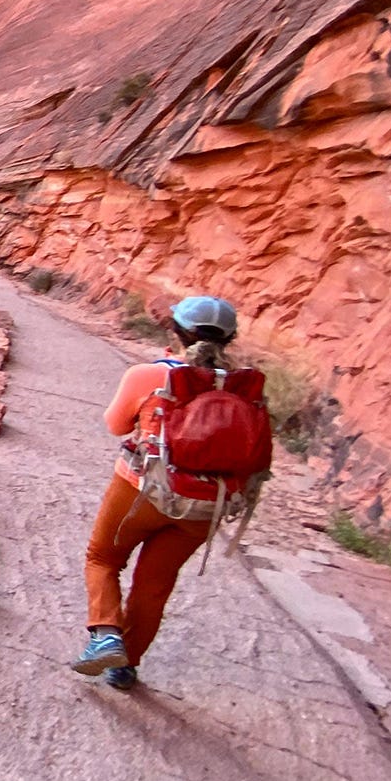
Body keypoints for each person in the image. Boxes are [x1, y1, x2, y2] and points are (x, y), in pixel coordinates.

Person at [72, 294, 241, 691]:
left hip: (141, 490)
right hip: (204, 505)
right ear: (230, 340)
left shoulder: (150, 375)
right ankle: (125, 665)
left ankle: (106, 635)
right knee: (154, 585)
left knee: (102, 558)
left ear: (175, 331)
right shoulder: (244, 387)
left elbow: (116, 425)